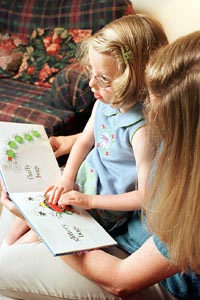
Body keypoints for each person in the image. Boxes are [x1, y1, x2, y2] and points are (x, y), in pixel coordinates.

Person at [4, 16, 200, 300]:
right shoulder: (167, 136)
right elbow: (109, 140)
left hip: (143, 270)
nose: (148, 117)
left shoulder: (187, 199)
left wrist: (40, 219)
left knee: (6, 269)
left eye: (158, 112)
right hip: (122, 238)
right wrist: (68, 144)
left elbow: (121, 280)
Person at [2, 13, 168, 246]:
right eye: (91, 73)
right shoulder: (104, 102)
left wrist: (88, 200)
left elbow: (145, 196)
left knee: (35, 236)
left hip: (102, 204)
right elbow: (83, 143)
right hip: (83, 181)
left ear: (136, 79)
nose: (91, 84)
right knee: (35, 196)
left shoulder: (141, 131)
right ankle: (6, 245)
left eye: (104, 78)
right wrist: (67, 178)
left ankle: (13, 252)